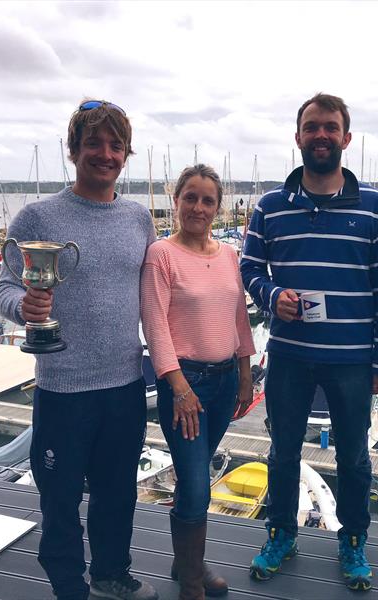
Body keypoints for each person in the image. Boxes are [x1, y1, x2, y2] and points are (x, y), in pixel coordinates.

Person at [0, 100, 158, 600]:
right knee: (59, 499)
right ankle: (69, 587)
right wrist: (26, 307)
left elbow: (156, 292)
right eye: (94, 143)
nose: (105, 154)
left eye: (115, 146)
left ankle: (111, 574)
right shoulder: (37, 216)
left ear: (125, 155)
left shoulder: (138, 218)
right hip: (62, 388)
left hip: (126, 385)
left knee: (117, 494)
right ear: (74, 150)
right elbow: (4, 287)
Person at [240, 93, 378, 592]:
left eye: (331, 127)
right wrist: (270, 295)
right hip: (289, 357)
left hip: (352, 361)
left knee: (354, 456)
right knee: (282, 452)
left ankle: (353, 540)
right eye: (312, 127)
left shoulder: (375, 208)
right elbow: (248, 268)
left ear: (346, 138)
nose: (321, 135)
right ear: (298, 137)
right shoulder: (270, 207)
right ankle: (281, 533)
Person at [140, 164, 255, 600]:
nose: (198, 207)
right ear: (176, 201)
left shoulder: (227, 255)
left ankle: (185, 561)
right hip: (184, 385)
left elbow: (239, 317)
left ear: (217, 207)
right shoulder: (161, 255)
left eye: (208, 200)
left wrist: (245, 373)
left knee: (197, 478)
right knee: (194, 483)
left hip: (225, 382)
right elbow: (155, 325)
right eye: (191, 197)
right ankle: (191, 581)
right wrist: (180, 388)